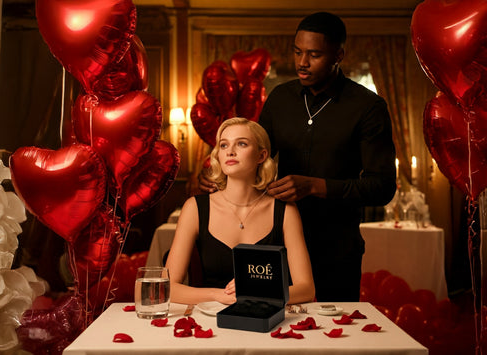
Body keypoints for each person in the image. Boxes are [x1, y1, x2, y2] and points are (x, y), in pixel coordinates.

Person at [200, 12, 396, 302]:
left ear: (338, 55)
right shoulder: (280, 99)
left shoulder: (368, 107)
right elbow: (252, 156)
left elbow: (383, 187)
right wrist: (219, 177)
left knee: (334, 340)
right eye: (297, 52)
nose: (302, 63)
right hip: (276, 244)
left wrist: (315, 186)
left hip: (337, 249)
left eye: (314, 54)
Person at [166, 117, 315, 305]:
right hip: (209, 324)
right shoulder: (194, 208)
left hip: (269, 324)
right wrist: (217, 295)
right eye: (223, 145)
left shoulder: (285, 211)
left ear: (261, 156)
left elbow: (306, 289)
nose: (230, 152)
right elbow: (168, 287)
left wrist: (255, 290)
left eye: (242, 144)